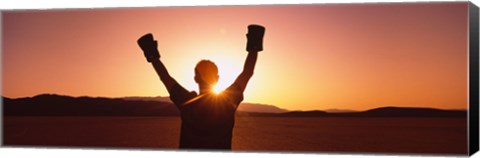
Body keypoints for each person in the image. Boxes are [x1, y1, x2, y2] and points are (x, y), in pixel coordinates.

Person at [137, 25, 265, 150]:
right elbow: (247, 73)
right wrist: (253, 47)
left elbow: (165, 77)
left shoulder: (186, 101)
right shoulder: (227, 101)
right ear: (217, 78)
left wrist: (153, 56)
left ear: (195, 78)